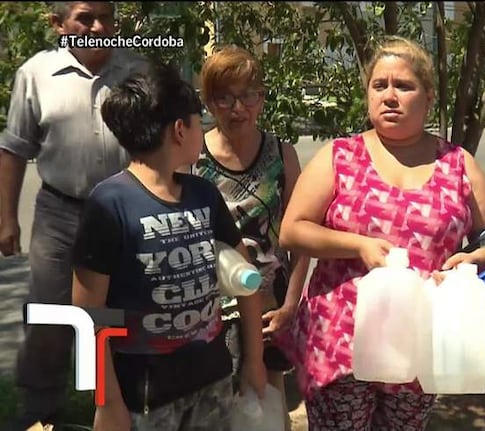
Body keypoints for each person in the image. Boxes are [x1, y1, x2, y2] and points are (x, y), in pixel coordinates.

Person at [276, 35, 485, 430]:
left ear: (428, 96)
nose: (389, 96)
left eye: (403, 86)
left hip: (417, 348)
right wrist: (357, 245)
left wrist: (473, 258)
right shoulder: (340, 156)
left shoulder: (458, 164)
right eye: (379, 86)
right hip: (339, 344)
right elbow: (292, 231)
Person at [70, 61, 268, 430]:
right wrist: (106, 402)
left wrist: (254, 360)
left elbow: (247, 280)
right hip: (144, 399)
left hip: (213, 384)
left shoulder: (204, 195)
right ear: (180, 130)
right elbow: (87, 314)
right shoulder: (109, 202)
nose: (203, 130)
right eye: (199, 121)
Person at [0, 2, 149, 428]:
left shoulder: (137, 71)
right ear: (58, 24)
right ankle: (40, 407)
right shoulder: (36, 73)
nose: (99, 26)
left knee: (123, 311)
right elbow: (13, 149)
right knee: (50, 312)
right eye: (86, 18)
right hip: (60, 212)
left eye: (106, 16)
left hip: (128, 213)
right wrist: (6, 218)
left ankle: (118, 400)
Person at [193, 44, 310, 430]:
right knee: (215, 408)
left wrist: (292, 304)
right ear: (209, 103)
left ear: (261, 98)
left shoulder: (282, 154)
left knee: (268, 406)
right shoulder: (193, 156)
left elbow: (300, 236)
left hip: (270, 301)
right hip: (209, 304)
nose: (238, 108)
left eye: (248, 96)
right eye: (224, 97)